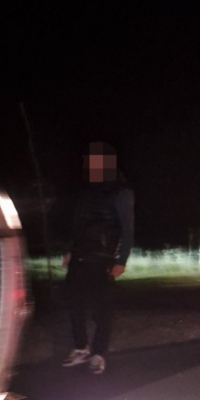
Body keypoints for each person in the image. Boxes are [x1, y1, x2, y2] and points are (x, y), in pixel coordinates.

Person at [61, 141, 134, 374]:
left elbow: (128, 229)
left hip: (103, 257)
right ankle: (81, 348)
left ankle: (99, 353)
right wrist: (69, 250)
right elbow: (78, 223)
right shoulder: (87, 191)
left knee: (102, 310)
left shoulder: (121, 192)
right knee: (75, 305)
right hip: (80, 255)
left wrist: (121, 260)